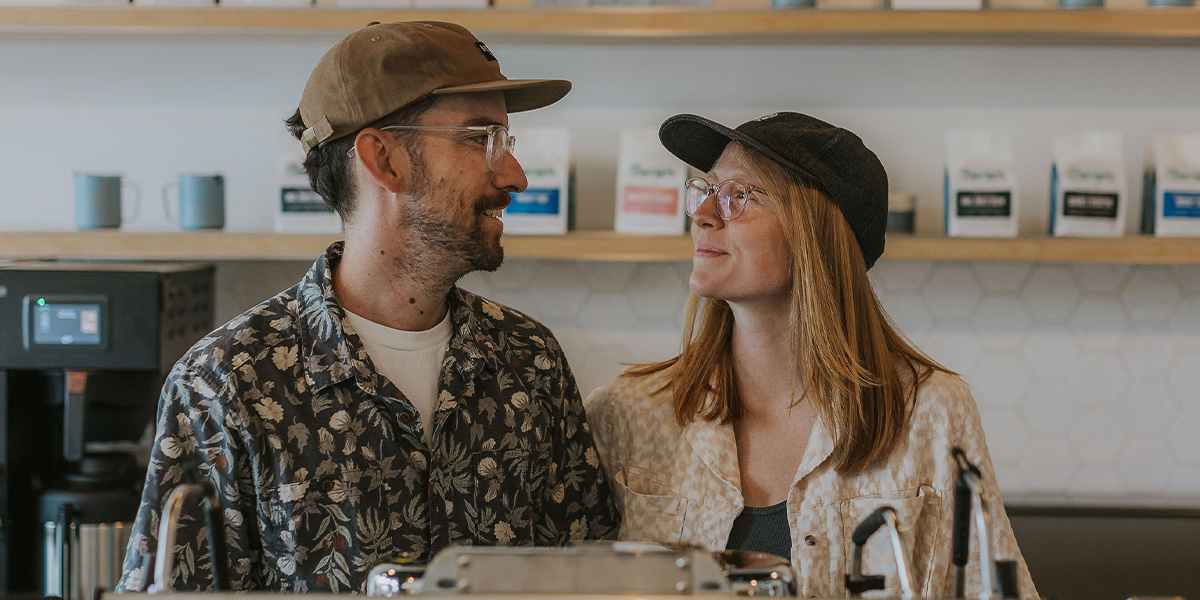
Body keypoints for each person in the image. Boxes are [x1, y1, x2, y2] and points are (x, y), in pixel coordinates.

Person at [116, 21, 618, 593]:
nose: (515, 175)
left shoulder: (530, 360)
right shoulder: (226, 383)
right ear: (383, 159)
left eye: (508, 142)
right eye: (481, 138)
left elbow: (588, 579)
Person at [585, 112, 1038, 599]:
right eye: (707, 189)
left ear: (815, 232)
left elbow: (994, 586)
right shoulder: (628, 412)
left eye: (738, 195)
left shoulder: (930, 411)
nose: (703, 215)